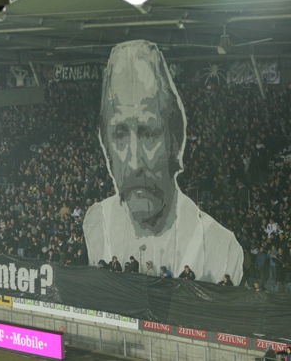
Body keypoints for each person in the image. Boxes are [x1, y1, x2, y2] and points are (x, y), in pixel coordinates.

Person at [83, 40, 243, 284]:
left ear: (175, 141)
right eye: (120, 134)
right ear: (106, 145)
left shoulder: (220, 248)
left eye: (148, 133)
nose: (135, 162)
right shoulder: (96, 222)